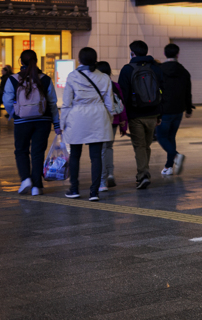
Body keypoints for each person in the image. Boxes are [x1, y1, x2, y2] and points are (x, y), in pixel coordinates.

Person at [61, 48, 114, 201]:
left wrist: (62, 123)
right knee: (96, 156)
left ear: (80, 59)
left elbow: (66, 103)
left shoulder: (72, 76)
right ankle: (94, 192)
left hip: (77, 117)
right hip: (98, 116)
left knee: (75, 156)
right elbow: (110, 103)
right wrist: (108, 118)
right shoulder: (104, 77)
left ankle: (74, 188)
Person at [4, 50, 61, 196]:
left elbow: (7, 101)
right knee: (37, 152)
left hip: (22, 121)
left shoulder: (13, 79)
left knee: (21, 150)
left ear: (20, 62)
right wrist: (56, 123)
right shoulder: (45, 79)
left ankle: (25, 179)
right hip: (43, 121)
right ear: (36, 61)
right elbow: (53, 103)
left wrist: (15, 113)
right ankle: (36, 186)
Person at [118, 40, 164, 190]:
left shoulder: (127, 69)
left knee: (139, 146)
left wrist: (123, 117)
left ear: (132, 53)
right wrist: (160, 114)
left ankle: (143, 175)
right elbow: (162, 92)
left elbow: (122, 94)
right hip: (153, 113)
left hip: (135, 115)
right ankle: (144, 172)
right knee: (146, 145)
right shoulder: (156, 68)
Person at [157, 44, 193, 176]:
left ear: (164, 53)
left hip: (164, 109)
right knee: (171, 137)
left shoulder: (160, 70)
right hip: (178, 110)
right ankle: (168, 167)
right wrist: (188, 108)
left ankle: (176, 156)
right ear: (178, 54)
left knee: (161, 136)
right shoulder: (184, 71)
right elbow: (188, 92)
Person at [95, 61, 126, 193]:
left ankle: (102, 181)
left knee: (101, 149)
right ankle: (110, 173)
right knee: (108, 147)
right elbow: (121, 104)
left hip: (100, 121)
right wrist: (123, 121)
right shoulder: (115, 85)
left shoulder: (95, 86)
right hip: (114, 121)